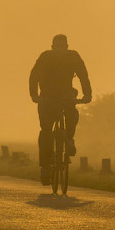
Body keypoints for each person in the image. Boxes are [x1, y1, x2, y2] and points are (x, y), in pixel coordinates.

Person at [29, 34, 92, 185]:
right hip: (48, 98)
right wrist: (35, 95)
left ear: (66, 46)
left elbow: (83, 75)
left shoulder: (72, 56)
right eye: (57, 46)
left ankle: (69, 139)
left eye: (62, 46)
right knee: (46, 131)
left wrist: (87, 94)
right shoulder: (47, 57)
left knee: (71, 114)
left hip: (62, 96)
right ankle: (45, 166)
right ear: (52, 47)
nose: (59, 49)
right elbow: (34, 76)